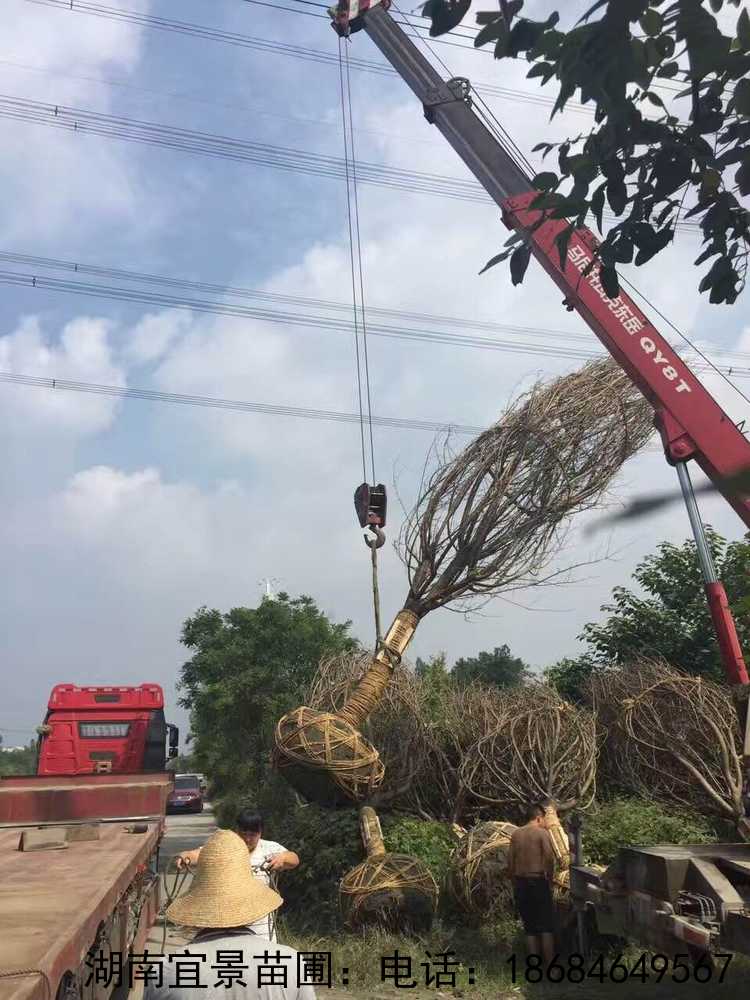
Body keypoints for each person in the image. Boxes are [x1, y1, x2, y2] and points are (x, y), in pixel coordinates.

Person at [146, 829, 315, 1000]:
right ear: (252, 903)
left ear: (198, 908)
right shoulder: (290, 964)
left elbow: (292, 858)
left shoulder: (165, 972)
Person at [176, 808, 299, 943]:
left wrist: (283, 858)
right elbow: (201, 854)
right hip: (225, 923)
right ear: (236, 831)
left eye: (252, 835)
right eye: (243, 833)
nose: (247, 839)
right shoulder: (224, 847)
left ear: (260, 832)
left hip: (260, 926)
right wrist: (187, 856)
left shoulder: (269, 849)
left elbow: (294, 859)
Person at [506, 802, 557, 966]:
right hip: (538, 881)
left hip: (521, 882)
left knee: (530, 927)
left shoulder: (516, 835)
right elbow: (549, 858)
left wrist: (514, 882)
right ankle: (550, 966)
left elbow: (510, 862)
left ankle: (534, 966)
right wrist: (550, 880)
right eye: (544, 820)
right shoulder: (542, 833)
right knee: (546, 926)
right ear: (538, 818)